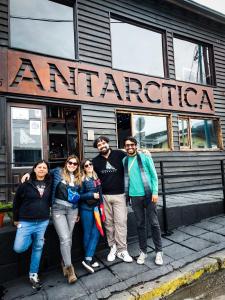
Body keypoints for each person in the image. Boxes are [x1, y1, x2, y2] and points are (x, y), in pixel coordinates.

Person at [21, 155, 81, 284]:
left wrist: (79, 212)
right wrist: (28, 173)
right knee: (65, 238)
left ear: (77, 166)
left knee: (68, 239)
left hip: (73, 210)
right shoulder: (58, 171)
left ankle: (64, 262)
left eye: (75, 164)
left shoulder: (78, 177)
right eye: (70, 162)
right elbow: (42, 171)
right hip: (58, 209)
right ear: (66, 163)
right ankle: (70, 269)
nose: (72, 165)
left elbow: (79, 195)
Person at [123, 136, 163, 265]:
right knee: (140, 224)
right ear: (125, 147)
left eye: (132, 145)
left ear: (136, 145)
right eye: (127, 145)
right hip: (134, 197)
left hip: (149, 195)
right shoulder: (124, 160)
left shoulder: (145, 157)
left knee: (154, 223)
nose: (129, 147)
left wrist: (155, 192)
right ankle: (143, 251)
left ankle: (159, 252)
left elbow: (154, 175)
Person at [92, 136, 133, 263]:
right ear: (97, 148)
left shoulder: (120, 154)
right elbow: (89, 175)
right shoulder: (95, 161)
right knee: (108, 223)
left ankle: (122, 250)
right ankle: (113, 247)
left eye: (103, 143)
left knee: (120, 222)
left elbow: (133, 157)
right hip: (104, 197)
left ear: (107, 143)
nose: (102, 146)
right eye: (99, 145)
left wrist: (144, 152)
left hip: (120, 195)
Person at [13, 160, 52, 290]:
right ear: (34, 169)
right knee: (19, 247)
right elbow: (16, 201)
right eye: (39, 167)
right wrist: (15, 219)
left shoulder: (50, 182)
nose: (42, 169)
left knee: (38, 248)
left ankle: (33, 274)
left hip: (43, 221)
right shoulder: (26, 183)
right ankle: (33, 238)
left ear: (47, 170)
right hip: (26, 222)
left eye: (44, 167)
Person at [79, 159, 105, 273]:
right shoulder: (82, 179)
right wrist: (91, 195)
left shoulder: (96, 177)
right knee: (88, 233)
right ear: (83, 168)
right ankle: (90, 257)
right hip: (86, 209)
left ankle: (88, 257)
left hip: (97, 209)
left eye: (90, 164)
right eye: (86, 165)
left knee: (96, 232)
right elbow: (79, 195)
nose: (89, 166)